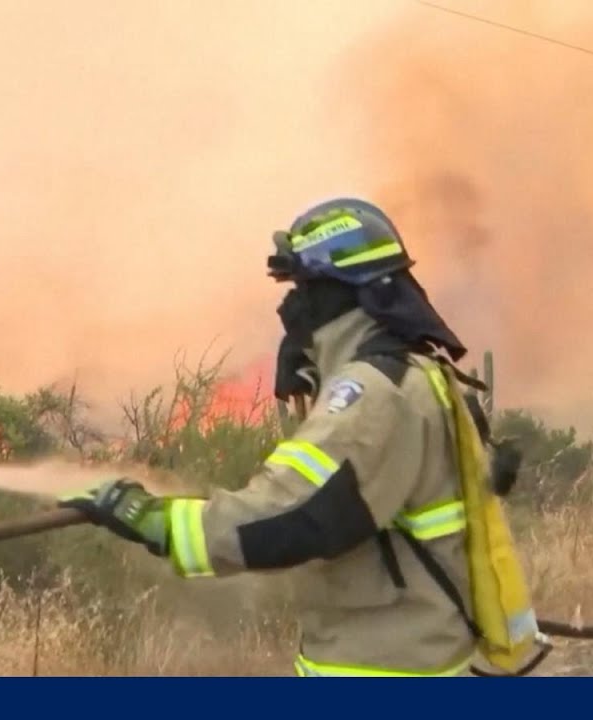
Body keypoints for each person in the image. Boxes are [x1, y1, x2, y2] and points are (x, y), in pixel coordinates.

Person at [61, 197, 538, 677]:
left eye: (305, 288)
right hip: (420, 654)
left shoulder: (373, 393)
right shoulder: (419, 371)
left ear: (340, 291)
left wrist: (159, 521)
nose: (293, 305)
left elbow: (293, 513)